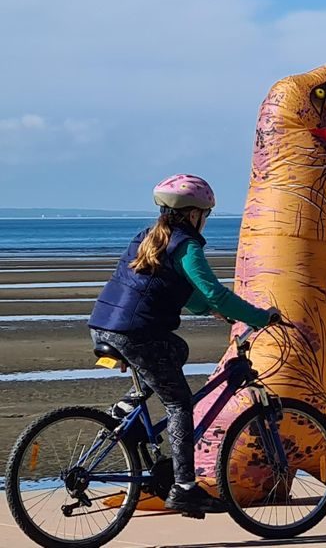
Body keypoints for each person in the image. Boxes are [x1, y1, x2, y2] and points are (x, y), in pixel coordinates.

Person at [88, 174, 278, 513]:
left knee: (176, 350)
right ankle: (185, 487)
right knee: (179, 404)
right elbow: (214, 292)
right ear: (194, 214)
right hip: (137, 333)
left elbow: (184, 291)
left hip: (103, 326)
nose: (205, 220)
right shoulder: (186, 245)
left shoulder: (148, 237)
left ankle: (127, 411)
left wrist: (210, 311)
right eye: (206, 215)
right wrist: (259, 317)